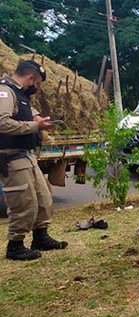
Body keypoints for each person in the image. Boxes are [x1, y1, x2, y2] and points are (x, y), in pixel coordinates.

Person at [0, 60, 68, 261]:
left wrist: (38, 118)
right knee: (23, 202)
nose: (37, 89)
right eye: (37, 84)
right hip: (10, 157)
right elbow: (2, 122)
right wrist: (34, 127)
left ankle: (41, 237)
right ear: (31, 78)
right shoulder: (4, 92)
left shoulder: (19, 93)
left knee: (43, 197)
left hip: (26, 155)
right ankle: (15, 245)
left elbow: (27, 111)